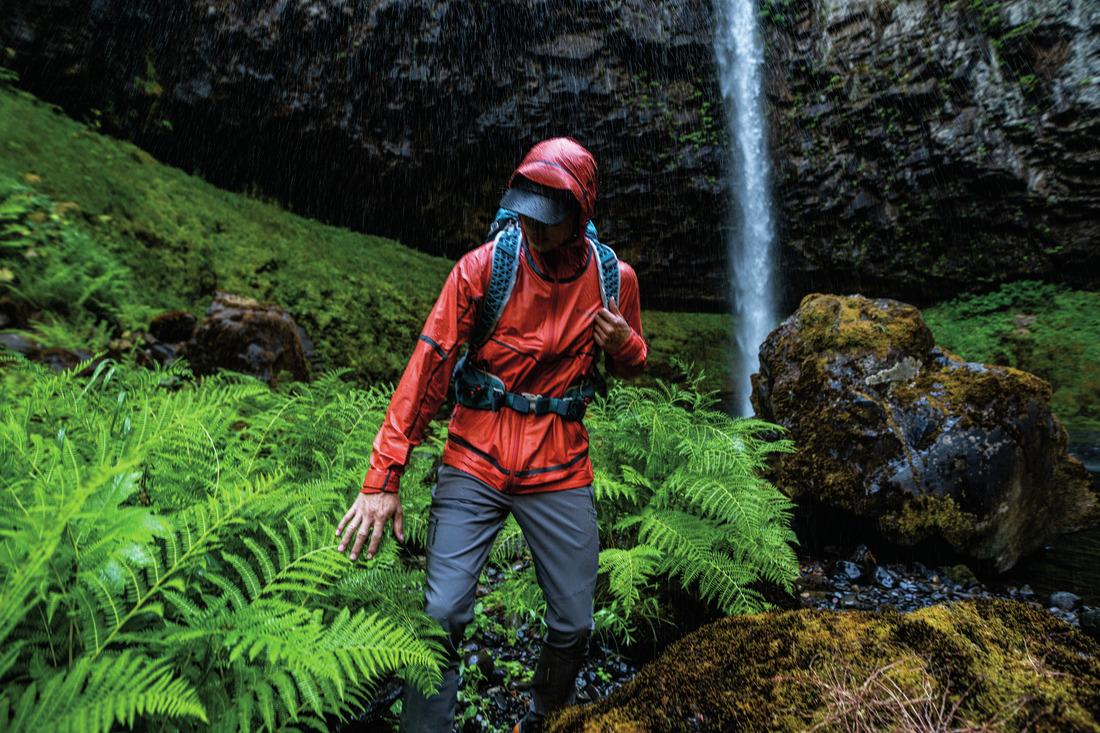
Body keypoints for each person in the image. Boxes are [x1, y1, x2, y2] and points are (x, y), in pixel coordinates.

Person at [334, 136, 647, 733]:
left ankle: (543, 720)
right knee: (443, 612)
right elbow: (426, 368)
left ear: (580, 216)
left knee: (574, 624)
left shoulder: (615, 280)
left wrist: (624, 345)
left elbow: (633, 365)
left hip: (558, 465)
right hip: (475, 455)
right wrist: (383, 478)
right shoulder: (482, 269)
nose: (533, 228)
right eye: (526, 213)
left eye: (548, 221)